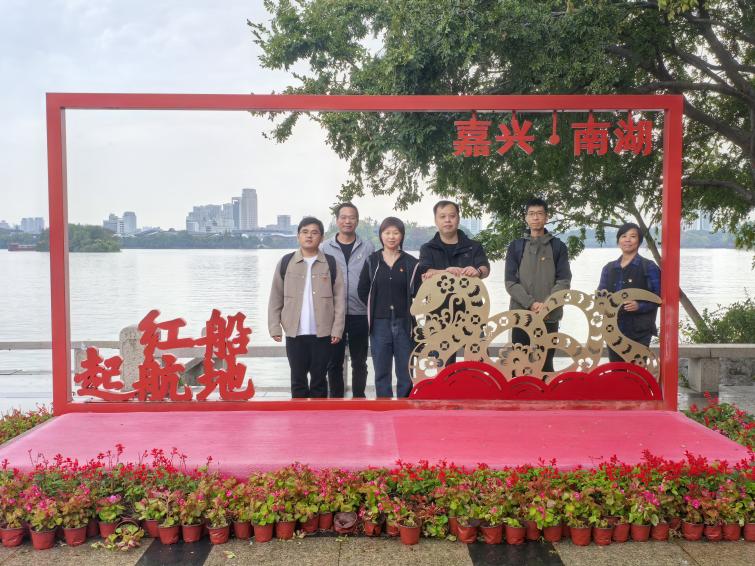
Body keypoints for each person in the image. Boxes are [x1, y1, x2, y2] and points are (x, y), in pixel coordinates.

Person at [268, 216, 346, 398]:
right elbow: (275, 297)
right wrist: (274, 327)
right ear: (298, 236)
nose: (309, 236)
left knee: (319, 380)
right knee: (298, 380)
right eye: (305, 232)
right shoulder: (286, 262)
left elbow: (339, 300)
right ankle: (298, 415)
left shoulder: (331, 263)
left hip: (323, 333)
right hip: (295, 333)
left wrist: (337, 329)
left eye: (314, 233)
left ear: (322, 237)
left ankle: (318, 415)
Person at [505, 197, 572, 373]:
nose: (535, 218)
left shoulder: (558, 247)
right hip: (521, 315)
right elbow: (510, 282)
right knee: (519, 363)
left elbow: (564, 280)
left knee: (546, 363)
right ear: (526, 218)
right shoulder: (516, 247)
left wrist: (547, 305)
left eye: (540, 214)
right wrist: (531, 303)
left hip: (550, 315)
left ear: (546, 217)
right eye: (532, 214)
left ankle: (547, 391)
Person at [358, 217, 420, 398]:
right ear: (381, 235)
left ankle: (405, 405)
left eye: (396, 233)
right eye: (387, 233)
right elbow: (362, 290)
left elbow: (420, 293)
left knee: (405, 372)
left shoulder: (411, 263)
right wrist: (375, 307)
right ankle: (383, 406)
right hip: (379, 324)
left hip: (404, 323)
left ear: (402, 236)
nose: (391, 237)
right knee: (381, 371)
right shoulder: (372, 261)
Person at [321, 202, 374, 398]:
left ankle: (359, 398)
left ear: (357, 221)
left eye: (352, 217)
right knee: (333, 362)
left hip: (360, 313)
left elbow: (373, 278)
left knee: (360, 362)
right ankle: (336, 400)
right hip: (334, 315)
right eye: (343, 217)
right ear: (337, 221)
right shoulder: (325, 247)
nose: (347, 221)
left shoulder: (367, 247)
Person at [597, 222, 661, 361]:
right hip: (613, 328)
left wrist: (639, 306)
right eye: (624, 236)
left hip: (639, 330)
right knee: (616, 370)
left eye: (632, 236)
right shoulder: (608, 268)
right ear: (618, 241)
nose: (627, 240)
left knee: (637, 370)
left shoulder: (649, 267)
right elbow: (600, 297)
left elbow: (659, 298)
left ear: (639, 241)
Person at [419, 200, 490, 281]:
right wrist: (448, 272)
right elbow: (426, 271)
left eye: (452, 216)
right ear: (435, 220)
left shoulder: (474, 246)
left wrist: (478, 271)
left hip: (469, 289)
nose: (447, 220)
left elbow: (485, 268)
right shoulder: (427, 248)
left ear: (458, 219)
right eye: (442, 216)